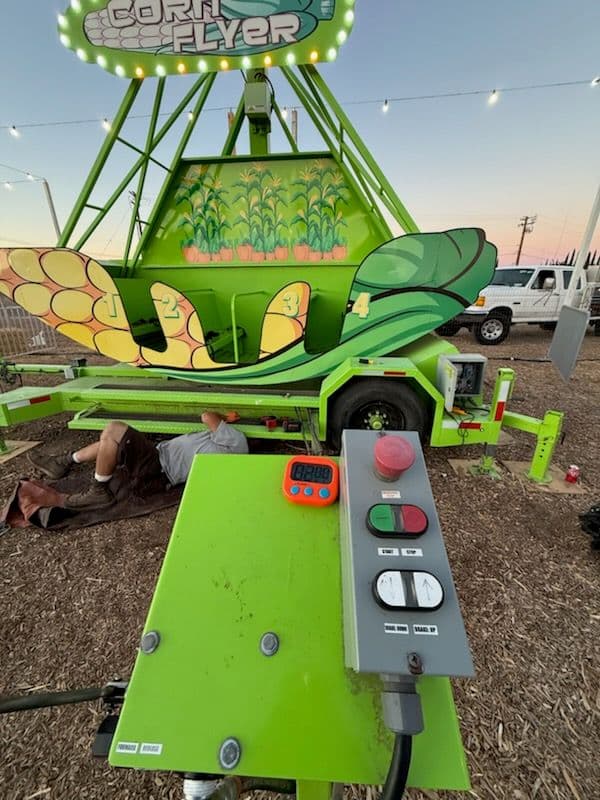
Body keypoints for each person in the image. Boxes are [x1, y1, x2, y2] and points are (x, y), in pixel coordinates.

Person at [27, 411, 248, 511]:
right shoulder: (225, 443)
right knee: (111, 440)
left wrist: (223, 417)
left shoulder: (237, 443)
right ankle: (63, 462)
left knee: (114, 430)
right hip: (157, 458)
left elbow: (207, 416)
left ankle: (98, 490)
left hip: (159, 467)